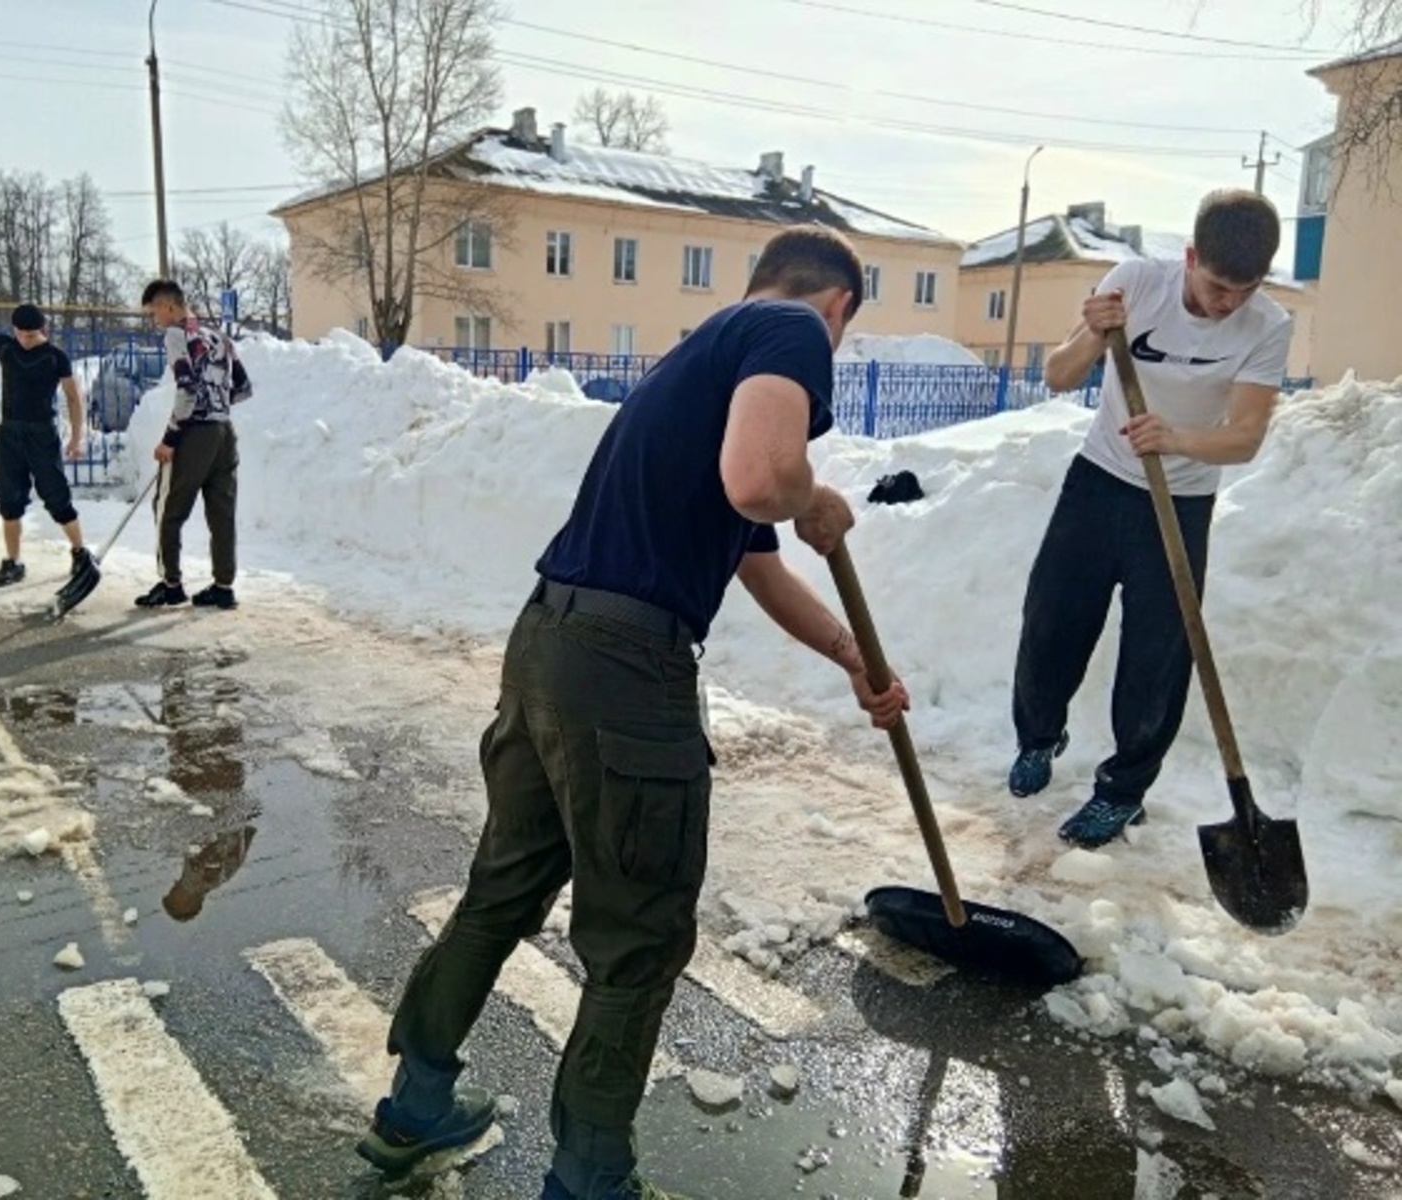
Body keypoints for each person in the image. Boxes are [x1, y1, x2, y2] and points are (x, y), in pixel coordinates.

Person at [353, 227, 910, 1200]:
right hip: (623, 673)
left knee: (503, 890)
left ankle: (417, 1104)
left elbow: (755, 557)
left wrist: (852, 656)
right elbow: (761, 482)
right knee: (637, 937)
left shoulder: (699, 366)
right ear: (839, 309)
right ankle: (591, 1178)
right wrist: (811, 493)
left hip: (547, 649)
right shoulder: (789, 327)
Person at [1007, 188, 1293, 849]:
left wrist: (1178, 439)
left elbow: (1245, 436)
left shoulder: (1268, 326)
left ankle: (1122, 792)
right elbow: (1057, 373)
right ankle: (1038, 740)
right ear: (1191, 256)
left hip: (1183, 500)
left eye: (1243, 290)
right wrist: (1099, 332)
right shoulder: (1136, 282)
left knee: (1158, 655)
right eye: (1219, 285)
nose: (1228, 303)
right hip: (1099, 481)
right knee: (1051, 623)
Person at [0, 293, 89, 588]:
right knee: (9, 502)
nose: (25, 340)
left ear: (43, 331)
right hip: (10, 434)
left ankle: (79, 553)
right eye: (21, 334)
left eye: (32, 335)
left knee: (57, 498)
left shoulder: (55, 356)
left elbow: (74, 399)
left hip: (42, 434)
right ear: (14, 331)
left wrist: (77, 438)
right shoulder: (4, 347)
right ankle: (13, 562)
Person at [136, 279, 252, 611]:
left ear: (168, 307)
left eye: (154, 312)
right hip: (224, 432)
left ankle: (171, 584)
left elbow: (186, 390)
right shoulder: (220, 338)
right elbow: (243, 387)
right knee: (222, 513)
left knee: (167, 509)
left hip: (195, 434)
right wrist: (217, 404)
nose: (154, 320)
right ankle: (223, 586)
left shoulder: (176, 336)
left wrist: (170, 439)